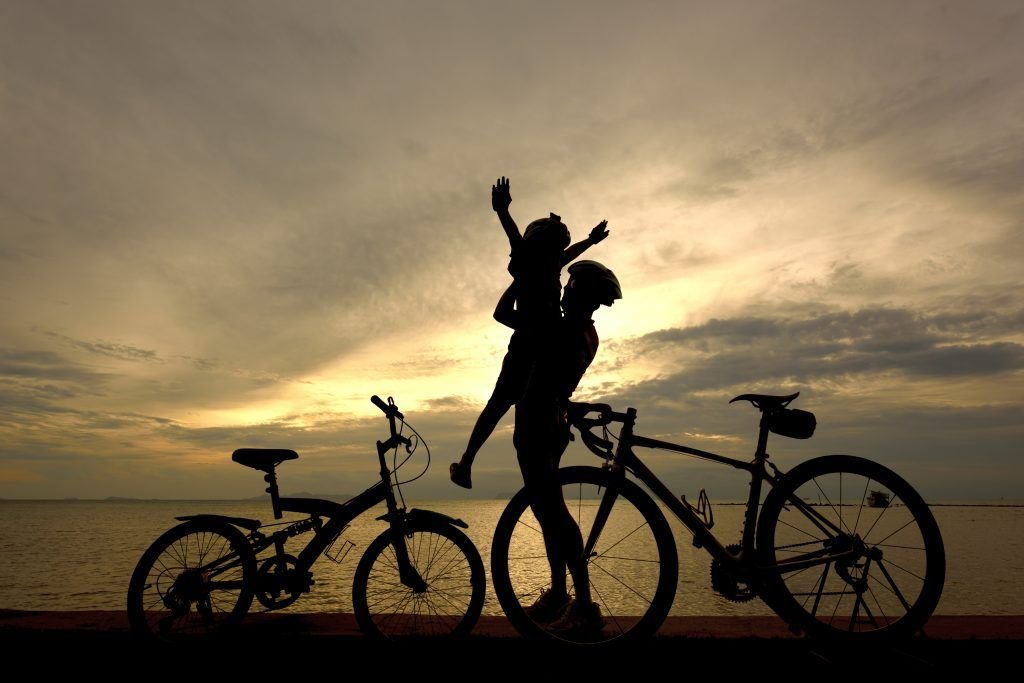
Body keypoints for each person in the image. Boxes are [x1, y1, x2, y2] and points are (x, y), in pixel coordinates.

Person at [449, 177, 608, 489]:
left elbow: (565, 253)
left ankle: (468, 462)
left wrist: (590, 241)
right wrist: (503, 212)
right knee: (507, 403)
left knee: (512, 402)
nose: (559, 254)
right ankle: (468, 462)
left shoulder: (546, 265)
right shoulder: (532, 264)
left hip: (537, 340)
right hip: (531, 340)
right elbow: (515, 240)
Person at [513, 260, 622, 634]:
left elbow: (552, 385)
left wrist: (522, 279)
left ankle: (584, 605)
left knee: (555, 514)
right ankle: (561, 594)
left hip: (539, 426)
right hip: (546, 424)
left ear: (582, 296)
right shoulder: (580, 332)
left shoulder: (568, 332)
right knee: (547, 513)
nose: (564, 292)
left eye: (571, 288)